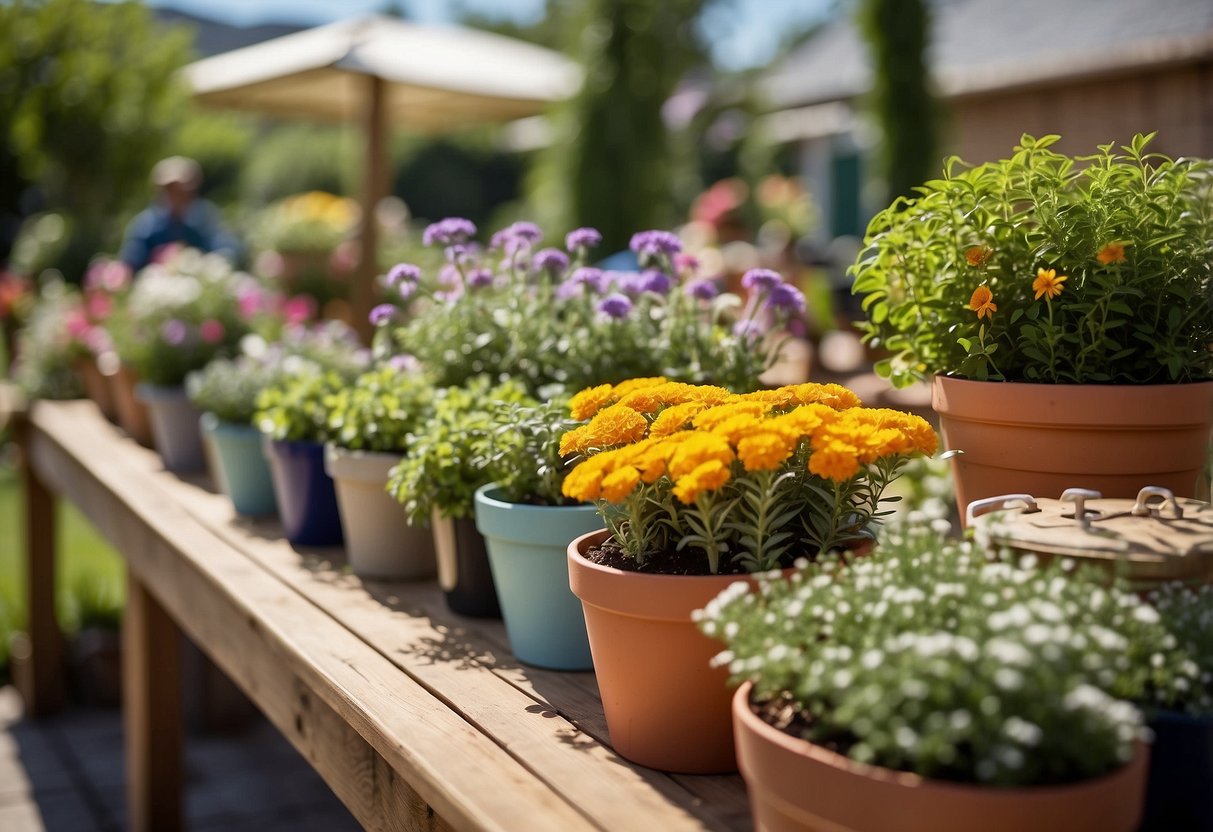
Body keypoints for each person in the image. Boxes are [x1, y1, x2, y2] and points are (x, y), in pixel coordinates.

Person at [119, 156, 240, 271]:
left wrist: (202, 261)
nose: (178, 194)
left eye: (183, 188)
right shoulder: (146, 225)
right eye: (171, 188)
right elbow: (130, 263)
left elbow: (227, 249)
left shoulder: (206, 216)